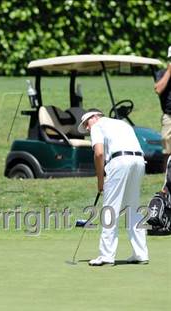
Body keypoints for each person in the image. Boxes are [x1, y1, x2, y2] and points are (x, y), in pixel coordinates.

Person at [78, 110, 149, 266]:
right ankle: (141, 254)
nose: (87, 129)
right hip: (139, 161)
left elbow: (98, 154)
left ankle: (106, 255)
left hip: (120, 162)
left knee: (110, 208)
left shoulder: (97, 126)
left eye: (86, 124)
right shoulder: (122, 123)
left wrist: (100, 180)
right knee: (133, 208)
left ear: (94, 117)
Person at [154, 46, 171, 170]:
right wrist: (169, 72)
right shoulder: (161, 73)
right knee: (167, 148)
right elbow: (158, 89)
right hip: (169, 116)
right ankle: (167, 179)